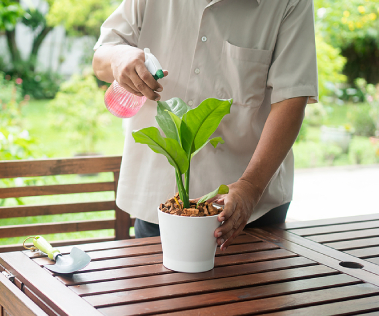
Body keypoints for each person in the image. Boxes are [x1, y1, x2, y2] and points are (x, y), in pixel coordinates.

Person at [92, 0, 318, 250]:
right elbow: (102, 55)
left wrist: (250, 187)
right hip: (157, 201)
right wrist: (118, 56)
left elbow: (292, 98)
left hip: (250, 210)